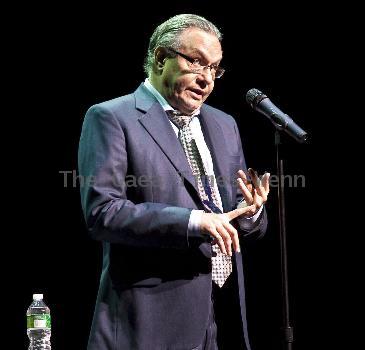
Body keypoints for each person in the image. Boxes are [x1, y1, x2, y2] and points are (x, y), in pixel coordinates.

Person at [78, 14, 270, 350]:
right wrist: (193, 221)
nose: (207, 79)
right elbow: (103, 213)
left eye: (215, 68)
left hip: (221, 313)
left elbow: (235, 217)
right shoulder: (111, 117)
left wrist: (249, 211)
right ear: (161, 57)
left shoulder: (225, 125)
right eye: (197, 62)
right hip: (152, 320)